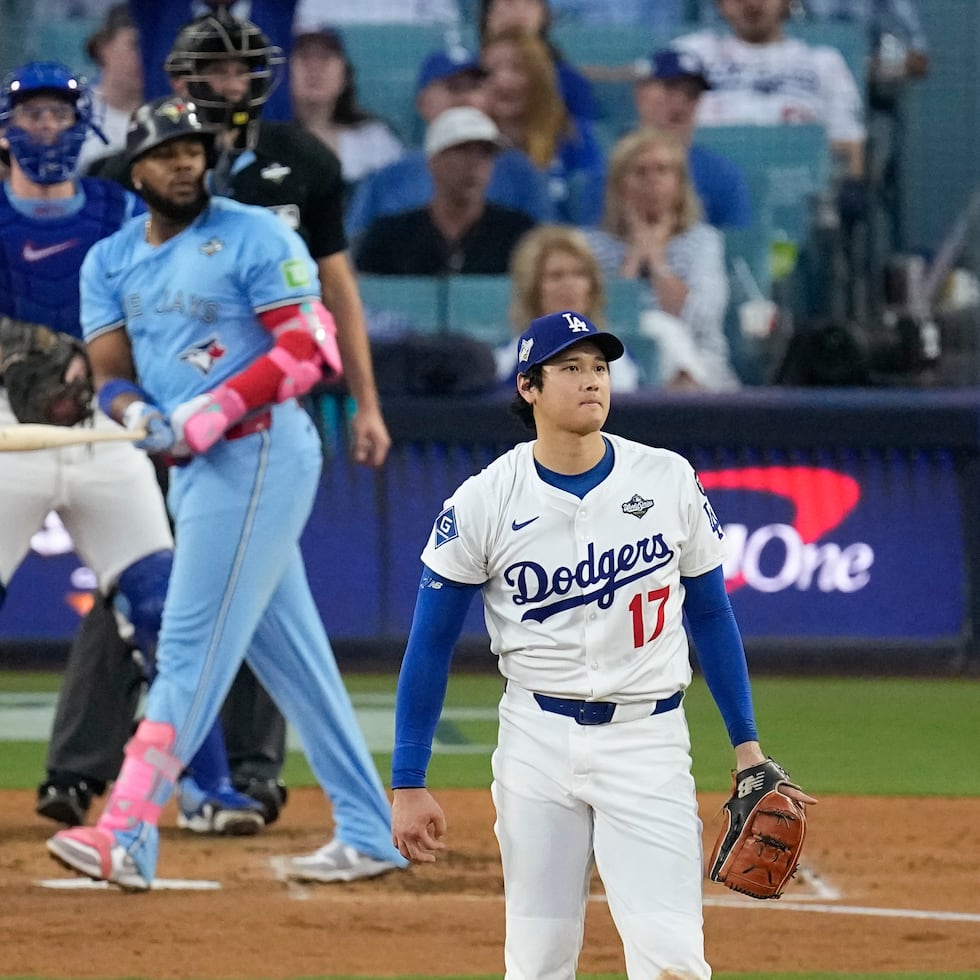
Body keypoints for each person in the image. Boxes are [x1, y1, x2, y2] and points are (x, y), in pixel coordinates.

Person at [47, 95, 408, 890]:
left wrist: (214, 408)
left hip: (262, 452)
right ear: (134, 168)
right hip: (198, 470)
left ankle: (129, 830)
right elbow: (110, 377)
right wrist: (138, 411)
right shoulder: (109, 261)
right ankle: (368, 828)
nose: (183, 161)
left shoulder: (258, 233)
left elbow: (311, 351)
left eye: (192, 148)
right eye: (164, 151)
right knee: (294, 660)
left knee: (187, 647)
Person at [390, 308, 816, 978]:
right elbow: (429, 645)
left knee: (673, 961)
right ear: (529, 386)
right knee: (537, 963)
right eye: (570, 368)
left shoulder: (666, 478)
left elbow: (710, 613)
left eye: (599, 367)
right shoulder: (483, 501)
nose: (591, 380)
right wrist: (408, 781)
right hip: (535, 741)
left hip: (647, 741)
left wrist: (747, 745)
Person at [0, 60, 189, 826]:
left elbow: (162, 300)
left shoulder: (116, 207)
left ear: (82, 126)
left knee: (163, 607)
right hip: (8, 435)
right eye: (30, 116)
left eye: (58, 115)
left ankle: (201, 788)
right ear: (7, 131)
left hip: (106, 424)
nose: (45, 129)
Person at [346, 45, 554, 241]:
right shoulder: (388, 177)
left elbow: (547, 249)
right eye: (454, 88)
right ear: (423, 103)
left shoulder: (521, 173)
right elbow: (354, 253)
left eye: (474, 87)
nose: (465, 98)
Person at [585, 128, 739, 390]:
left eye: (663, 171)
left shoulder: (703, 241)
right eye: (640, 172)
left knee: (663, 330)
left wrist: (656, 259)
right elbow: (604, 322)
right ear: (618, 185)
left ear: (679, 184)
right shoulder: (590, 245)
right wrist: (634, 257)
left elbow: (701, 320)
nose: (652, 181)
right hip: (615, 364)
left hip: (702, 366)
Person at [672, 0, 867, 187]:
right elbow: (657, 129)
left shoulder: (823, 62)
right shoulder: (692, 53)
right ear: (720, 3)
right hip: (704, 185)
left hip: (795, 186)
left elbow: (848, 142)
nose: (752, 5)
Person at [355, 106, 537, 276]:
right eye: (461, 151)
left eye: (484, 153)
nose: (473, 164)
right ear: (433, 161)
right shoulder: (390, 236)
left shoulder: (518, 234)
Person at [481, 26, 605, 225]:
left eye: (517, 68)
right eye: (490, 72)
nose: (503, 81)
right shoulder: (471, 148)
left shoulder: (575, 138)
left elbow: (594, 209)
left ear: (540, 79)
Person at [496, 224, 643, 390]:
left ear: (592, 288)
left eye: (579, 274)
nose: (569, 285)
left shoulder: (619, 362)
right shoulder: (506, 362)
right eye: (556, 276)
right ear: (532, 290)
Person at [633, 48, 752, 230]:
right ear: (641, 94)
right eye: (670, 87)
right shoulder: (612, 167)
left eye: (692, 93)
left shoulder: (721, 174)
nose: (681, 101)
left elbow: (736, 248)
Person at [289, 26, 404, 193]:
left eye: (325, 57)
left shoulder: (374, 140)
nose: (314, 67)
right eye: (304, 56)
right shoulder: (264, 140)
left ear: (345, 74)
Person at [477, 0, 596, 122]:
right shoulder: (465, 75)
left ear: (543, 16)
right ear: (488, 14)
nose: (519, 12)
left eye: (529, 3)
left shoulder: (568, 81)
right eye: (509, 3)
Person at [77, 3, 144, 174]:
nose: (144, 56)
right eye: (134, 44)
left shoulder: (168, 117)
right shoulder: (74, 115)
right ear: (103, 48)